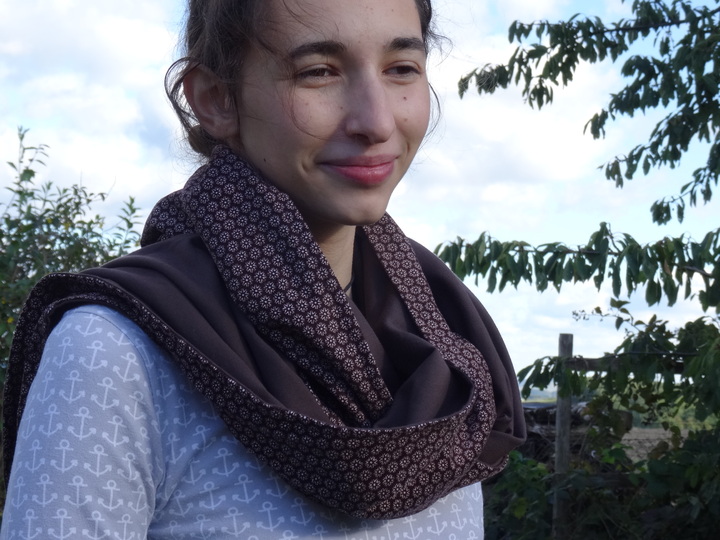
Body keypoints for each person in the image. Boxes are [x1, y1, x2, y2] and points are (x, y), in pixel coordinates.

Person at [0, 0, 526, 538]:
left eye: (401, 69)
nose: (377, 121)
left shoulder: (448, 345)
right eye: (318, 72)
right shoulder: (113, 351)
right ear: (216, 99)